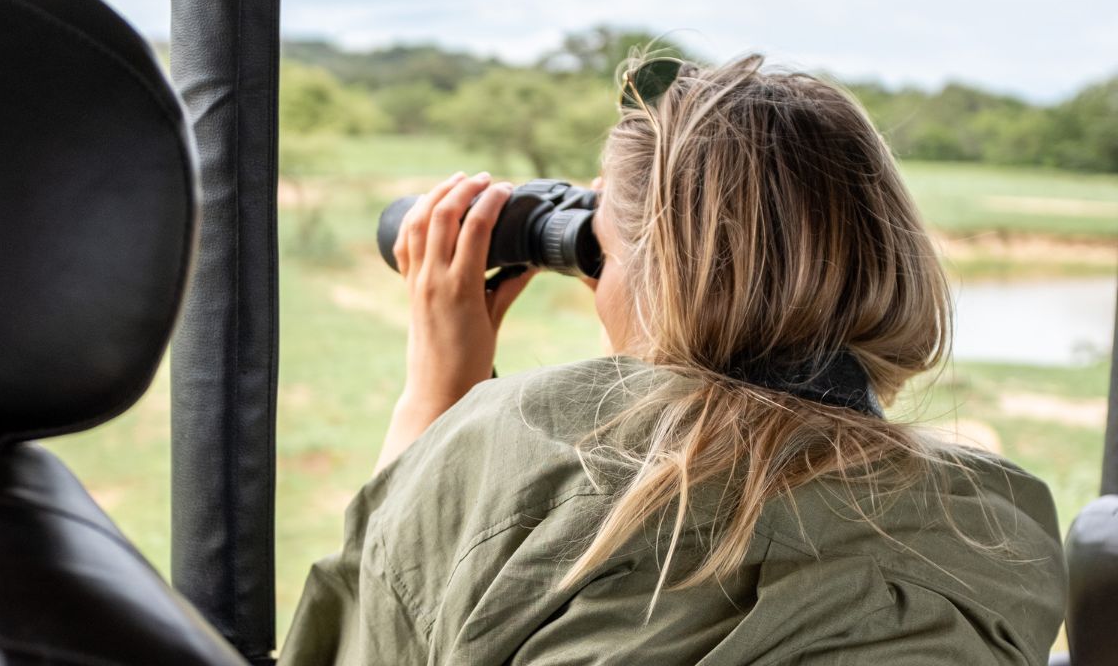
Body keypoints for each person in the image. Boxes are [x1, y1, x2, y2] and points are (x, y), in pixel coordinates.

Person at [279, 54, 1065, 665]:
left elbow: (373, 640)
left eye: (603, 254)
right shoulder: (1001, 526)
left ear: (656, 277)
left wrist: (434, 403)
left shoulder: (514, 450)